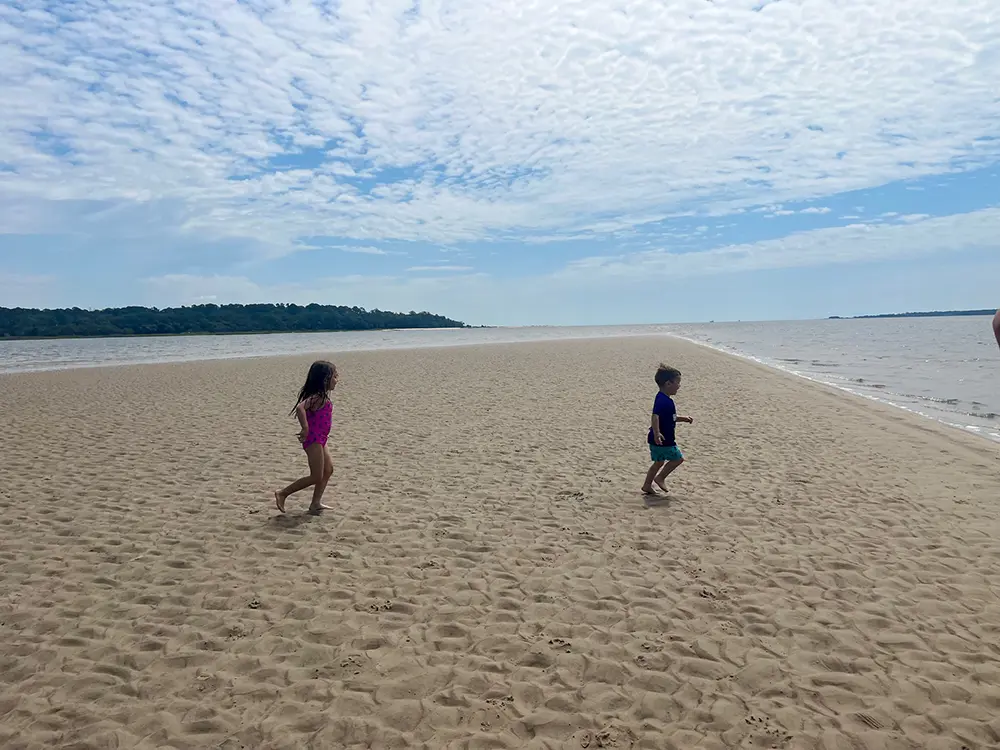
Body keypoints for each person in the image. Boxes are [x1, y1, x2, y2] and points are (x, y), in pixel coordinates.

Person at [274, 360, 338, 514]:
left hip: (322, 438)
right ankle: (282, 493)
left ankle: (315, 503)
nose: (337, 380)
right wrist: (305, 427)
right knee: (316, 476)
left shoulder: (323, 397)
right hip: (313, 439)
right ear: (325, 379)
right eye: (334, 377)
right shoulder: (317, 397)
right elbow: (300, 408)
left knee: (328, 469)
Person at [642, 363, 694, 496]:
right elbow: (655, 416)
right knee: (678, 459)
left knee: (658, 462)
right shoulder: (663, 401)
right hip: (663, 439)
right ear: (668, 384)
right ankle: (660, 478)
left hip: (656, 438)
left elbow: (671, 417)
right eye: (677, 383)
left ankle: (647, 485)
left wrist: (684, 418)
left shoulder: (664, 399)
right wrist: (657, 433)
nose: (679, 386)